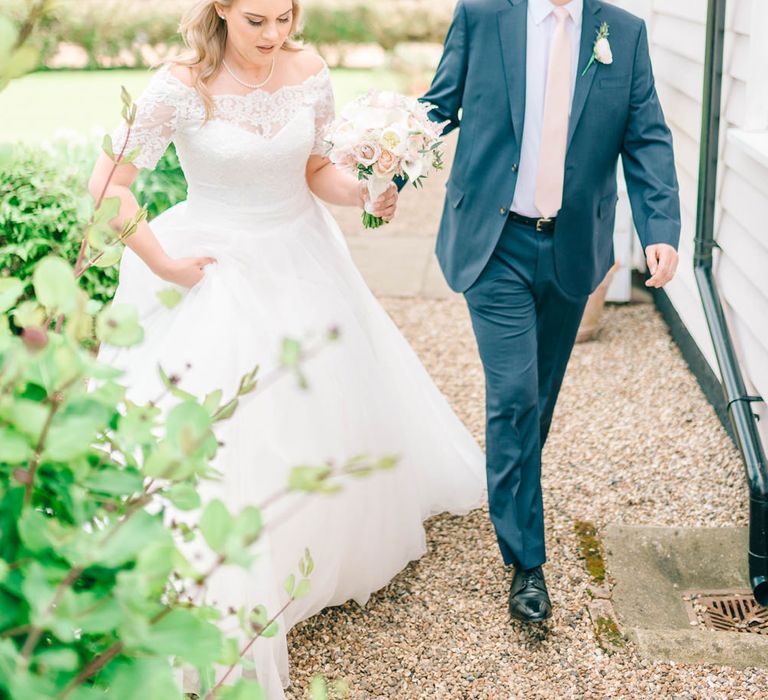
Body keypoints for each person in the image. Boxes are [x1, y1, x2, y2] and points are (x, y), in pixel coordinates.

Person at [88, 0, 486, 696]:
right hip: (217, 266)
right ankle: (234, 575)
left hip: (304, 259)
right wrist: (165, 265)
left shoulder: (309, 70)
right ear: (221, 9)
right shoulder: (180, 85)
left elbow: (313, 172)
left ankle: (315, 550)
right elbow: (108, 186)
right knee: (229, 433)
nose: (275, 35)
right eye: (258, 21)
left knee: (326, 409)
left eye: (285, 16)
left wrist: (366, 189)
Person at [422, 0, 680, 623]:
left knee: (536, 399)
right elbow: (437, 108)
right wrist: (385, 172)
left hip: (571, 245)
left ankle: (511, 489)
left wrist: (660, 227)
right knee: (513, 394)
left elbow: (646, 137)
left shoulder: (624, 32)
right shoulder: (483, 16)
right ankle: (527, 565)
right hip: (494, 239)